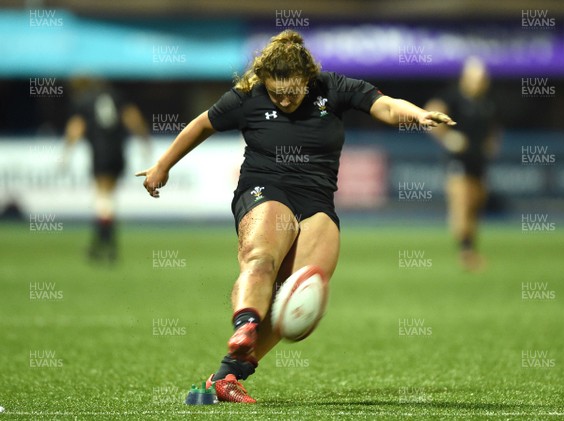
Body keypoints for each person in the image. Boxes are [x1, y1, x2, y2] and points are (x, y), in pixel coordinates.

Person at [136, 30, 455, 403]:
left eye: (293, 91)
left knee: (299, 299)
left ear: (308, 79)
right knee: (261, 259)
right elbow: (202, 124)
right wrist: (163, 165)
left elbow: (384, 106)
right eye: (276, 93)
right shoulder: (246, 96)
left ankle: (225, 378)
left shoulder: (333, 87)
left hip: (317, 199)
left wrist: (417, 115)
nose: (285, 100)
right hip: (264, 187)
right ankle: (245, 324)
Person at [425, 57, 500, 271]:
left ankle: (470, 249)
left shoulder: (488, 102)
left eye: (482, 79)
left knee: (476, 204)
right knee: (462, 202)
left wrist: (491, 145)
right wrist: (448, 138)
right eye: (475, 78)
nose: (480, 83)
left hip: (479, 161)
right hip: (458, 161)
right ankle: (465, 252)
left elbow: (494, 128)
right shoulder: (453, 97)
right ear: (465, 79)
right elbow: (430, 113)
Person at [64, 77, 150, 262]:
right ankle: (103, 242)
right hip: (118, 151)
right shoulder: (116, 96)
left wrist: (66, 153)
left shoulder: (84, 101)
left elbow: (76, 128)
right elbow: (133, 117)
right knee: (108, 197)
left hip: (100, 151)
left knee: (102, 197)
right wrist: (145, 141)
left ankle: (106, 241)